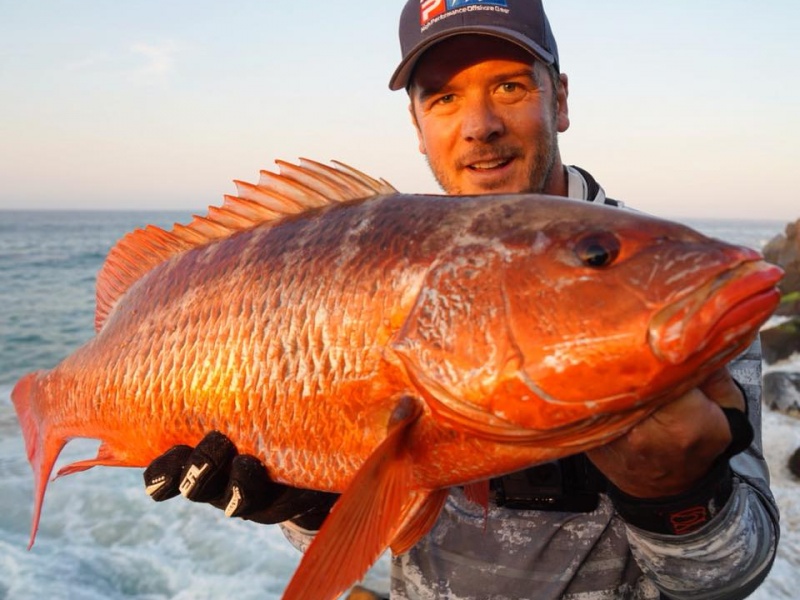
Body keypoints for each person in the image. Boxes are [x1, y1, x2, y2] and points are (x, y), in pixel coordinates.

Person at [143, 1, 779, 598]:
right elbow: (372, 522)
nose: (480, 127)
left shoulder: (673, 283)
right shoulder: (361, 256)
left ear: (559, 99)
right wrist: (308, 504)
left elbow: (732, 578)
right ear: (418, 127)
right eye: (444, 97)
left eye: (509, 86)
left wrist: (676, 495)